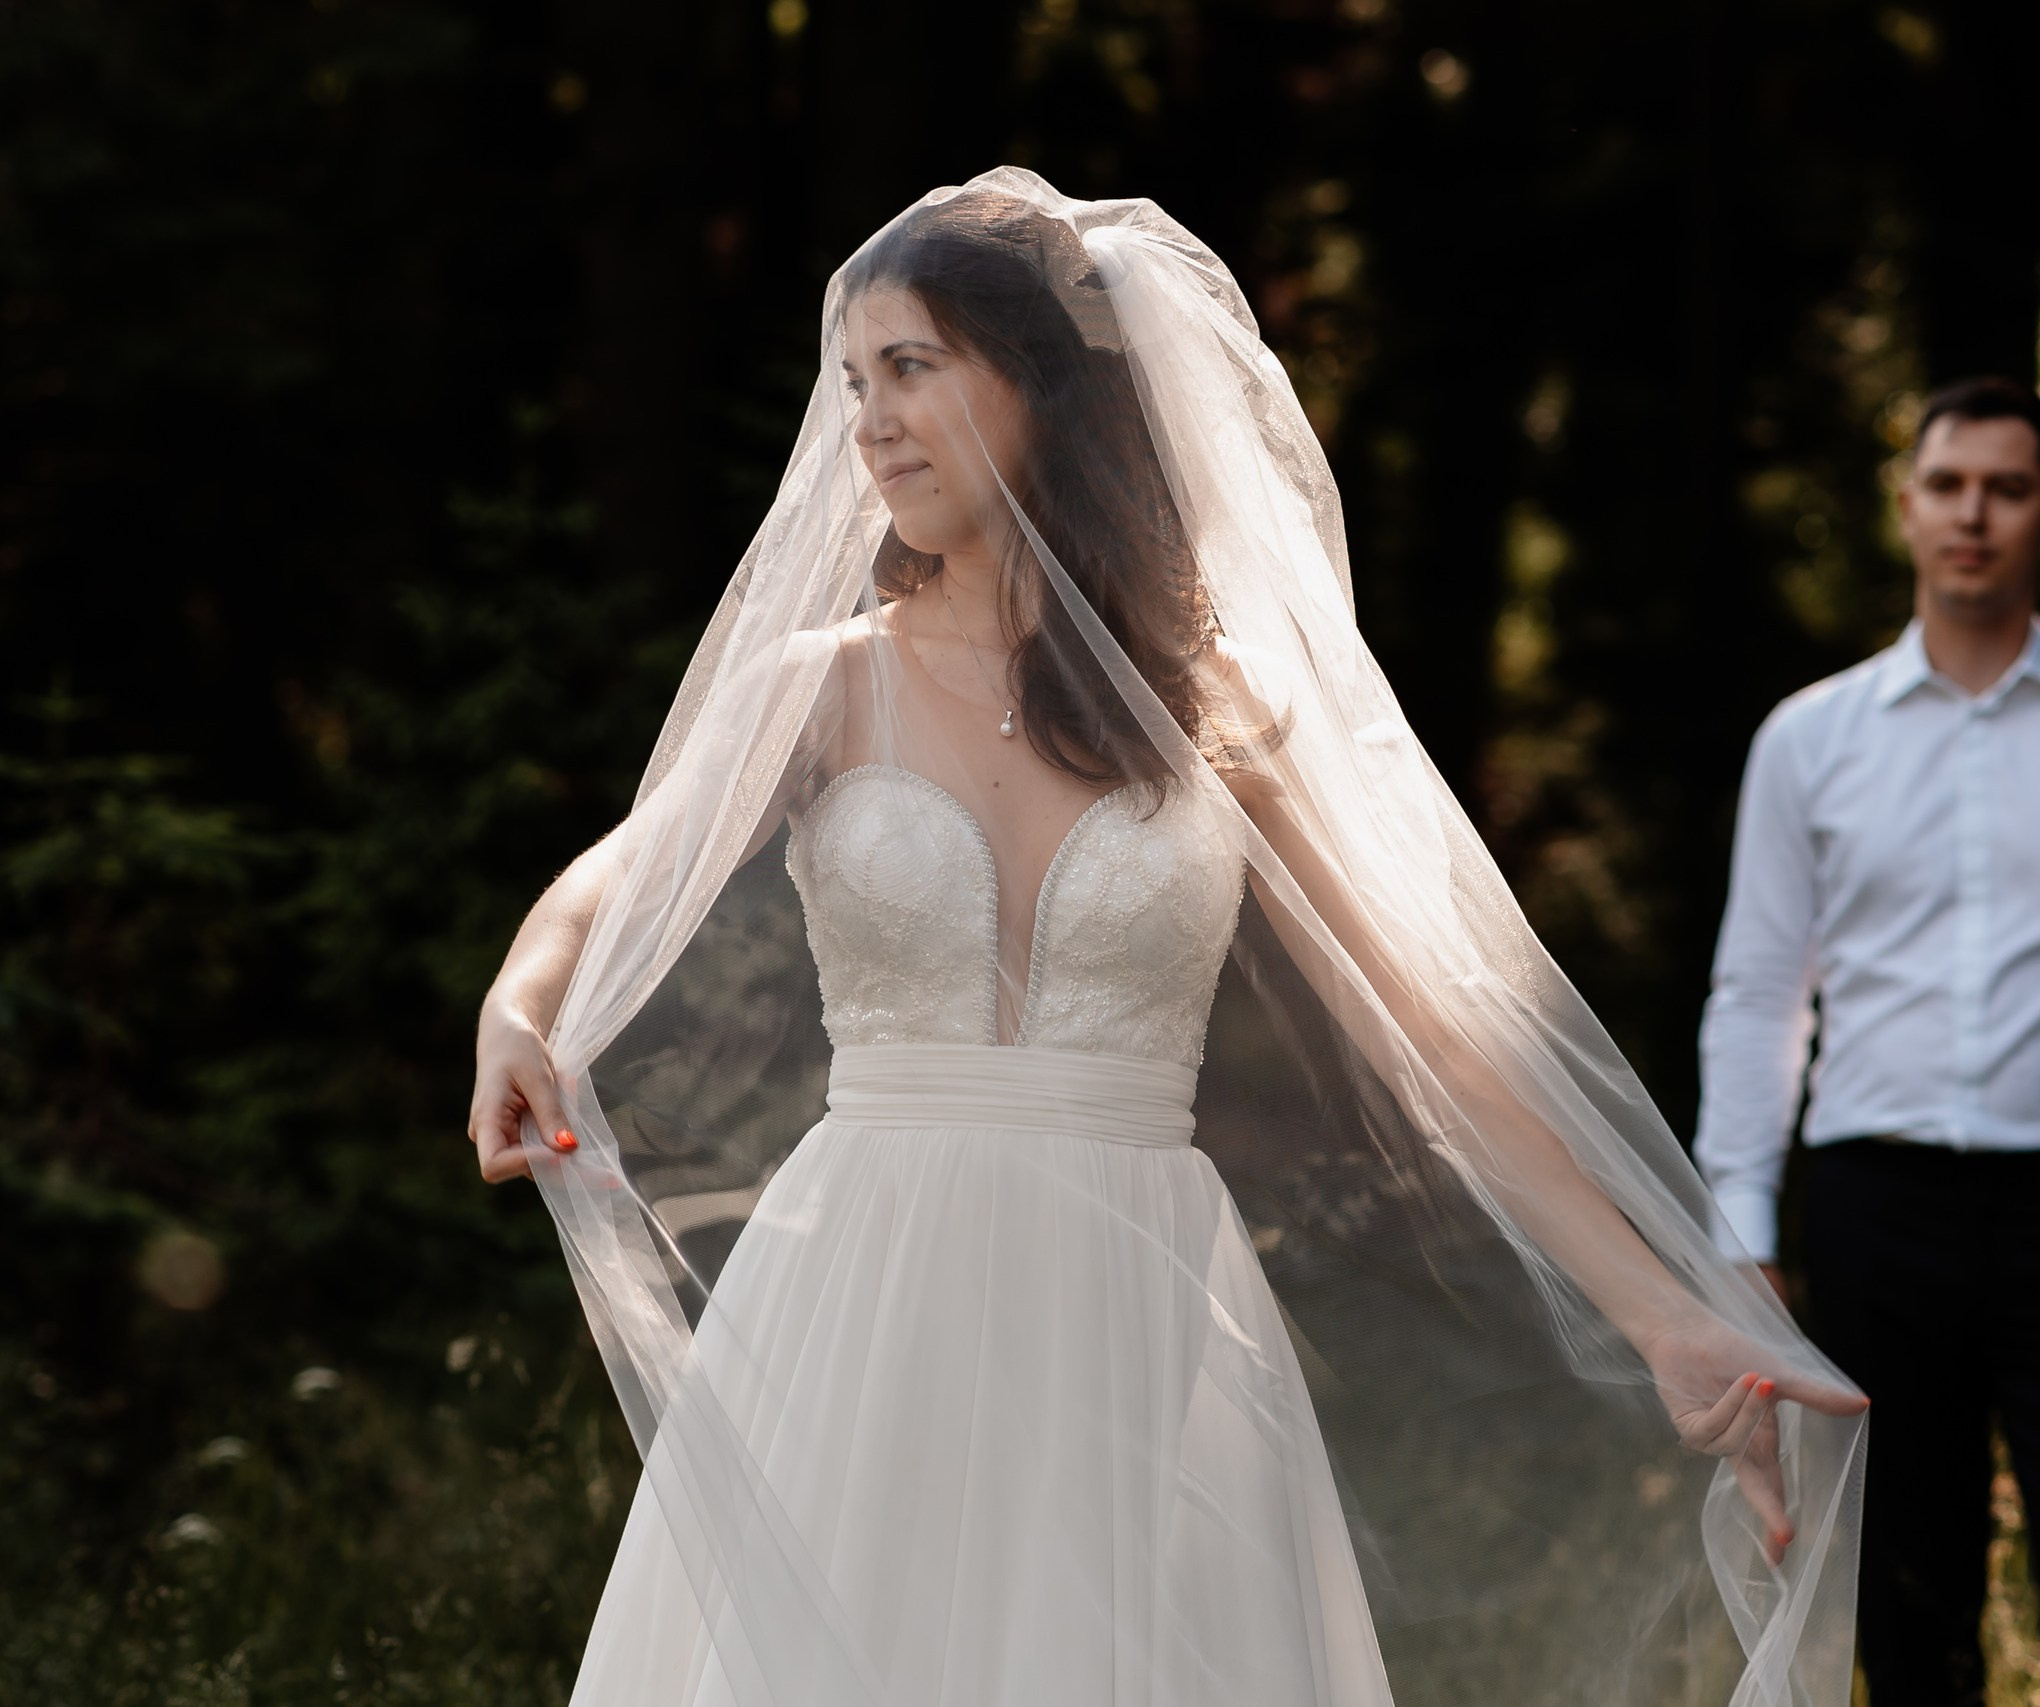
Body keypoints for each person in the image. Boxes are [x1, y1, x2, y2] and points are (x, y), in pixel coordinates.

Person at [466, 172, 1868, 1707]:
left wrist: (1666, 1316)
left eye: (913, 368)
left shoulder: (1220, 709)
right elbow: (614, 876)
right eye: (854, 381)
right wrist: (524, 1003)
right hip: (868, 1283)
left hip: (1134, 1304)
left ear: (1041, 386)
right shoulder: (823, 683)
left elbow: (1445, 1037)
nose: (868, 422)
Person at [1694, 376, 2040, 1705]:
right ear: (1908, 508)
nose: (1975, 515)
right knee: (1908, 1591)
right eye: (1949, 486)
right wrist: (1744, 1230)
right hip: (1880, 1211)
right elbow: (1762, 990)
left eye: (2007, 489)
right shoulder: (1809, 739)